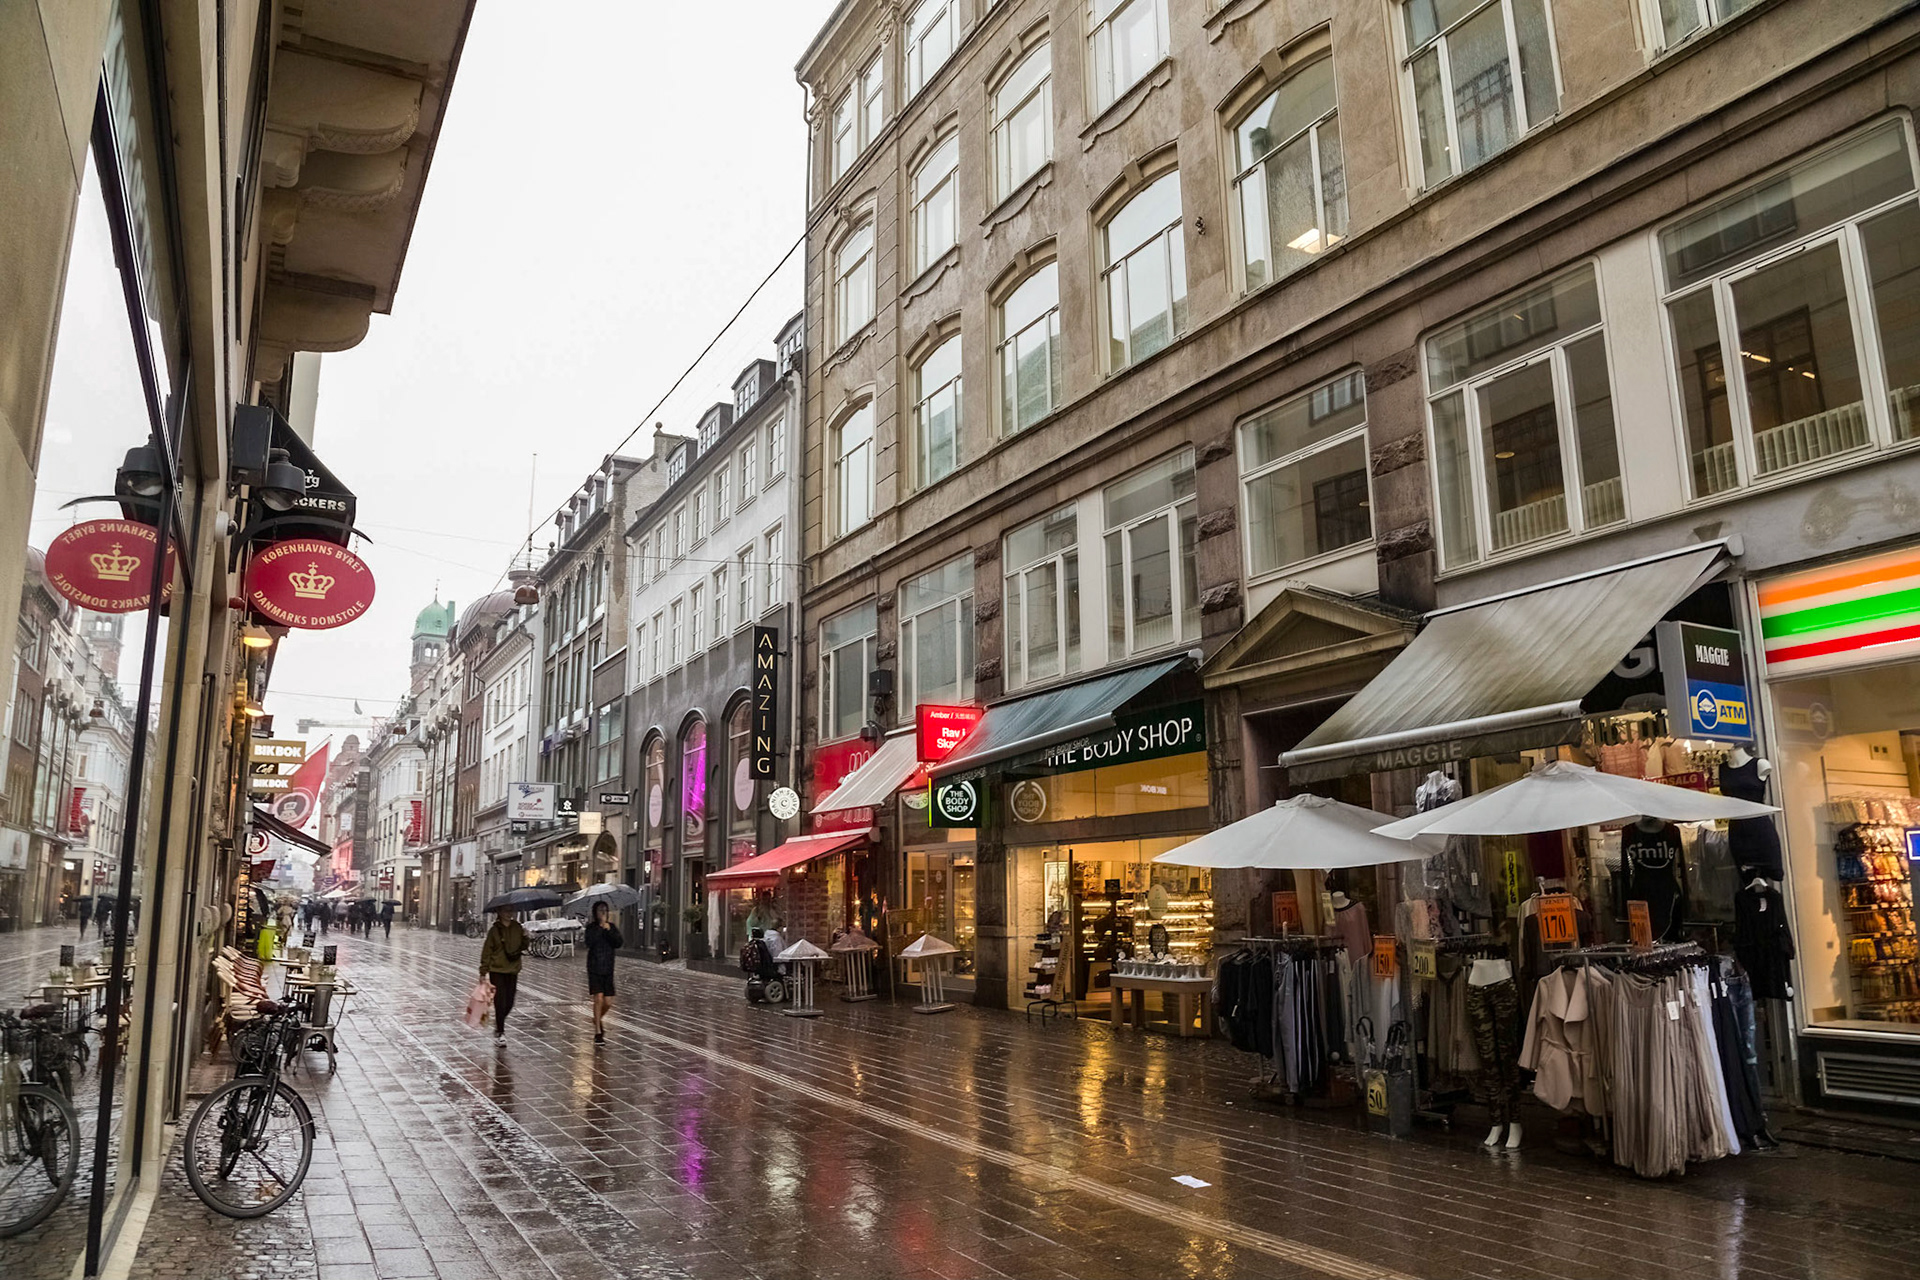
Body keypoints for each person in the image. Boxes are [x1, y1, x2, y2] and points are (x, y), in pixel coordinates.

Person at [479, 907, 526, 1040]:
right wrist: (483, 971)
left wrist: (526, 937)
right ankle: (500, 1032)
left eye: (511, 910)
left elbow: (523, 946)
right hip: (497, 970)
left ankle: (499, 1022)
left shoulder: (518, 928)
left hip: (513, 969)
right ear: (500, 913)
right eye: (506, 911)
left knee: (509, 1002)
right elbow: (487, 951)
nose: (509, 913)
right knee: (500, 1001)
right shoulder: (494, 931)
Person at [583, 901, 622, 1044]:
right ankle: (598, 1032)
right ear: (595, 912)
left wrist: (608, 930)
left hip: (608, 967)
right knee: (598, 998)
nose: (603, 913)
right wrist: (600, 929)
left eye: (605, 910)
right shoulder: (591, 928)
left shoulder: (611, 927)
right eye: (600, 910)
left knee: (608, 1001)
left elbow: (618, 943)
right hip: (594, 967)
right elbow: (589, 943)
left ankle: (597, 1018)